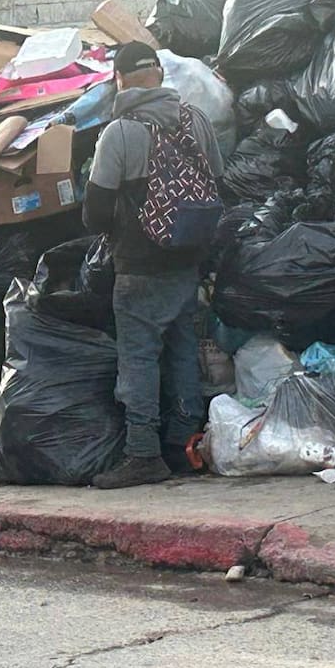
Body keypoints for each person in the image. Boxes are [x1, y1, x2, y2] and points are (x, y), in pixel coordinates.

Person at [83, 42, 224, 490]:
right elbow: (218, 183)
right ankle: (184, 445)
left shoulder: (120, 133)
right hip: (189, 257)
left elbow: (95, 214)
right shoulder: (197, 120)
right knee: (182, 349)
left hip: (140, 266)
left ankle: (143, 453)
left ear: (119, 79)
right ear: (160, 74)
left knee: (139, 358)